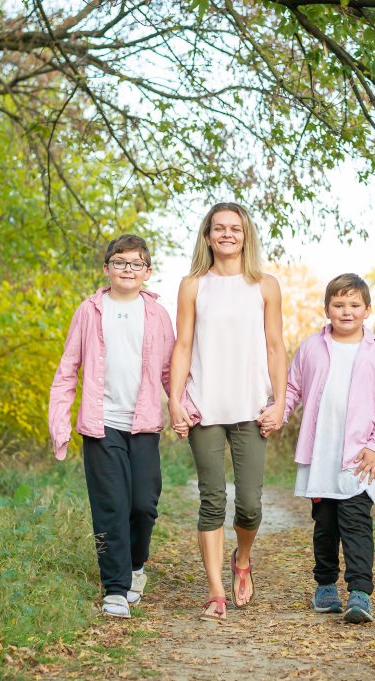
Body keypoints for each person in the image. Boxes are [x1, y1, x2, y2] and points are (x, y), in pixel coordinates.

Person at [168, 202, 287, 622]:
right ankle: (216, 592)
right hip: (205, 409)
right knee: (212, 499)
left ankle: (243, 559)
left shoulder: (266, 285)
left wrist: (280, 402)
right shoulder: (192, 285)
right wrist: (175, 399)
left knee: (251, 504)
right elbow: (182, 346)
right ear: (207, 236)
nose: (227, 234)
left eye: (235, 228)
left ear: (245, 235)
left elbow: (276, 347)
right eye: (219, 228)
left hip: (252, 409)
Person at [48, 234, 175, 619]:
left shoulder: (157, 315)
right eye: (120, 262)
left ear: (147, 272)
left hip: (144, 425)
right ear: (106, 268)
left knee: (142, 506)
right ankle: (115, 588)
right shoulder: (89, 310)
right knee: (111, 507)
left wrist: (187, 410)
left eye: (136, 263)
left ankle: (136, 566)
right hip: (101, 426)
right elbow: (67, 371)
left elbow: (171, 371)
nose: (127, 269)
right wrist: (60, 424)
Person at [278, 273, 375, 624]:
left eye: (353, 305)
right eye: (338, 304)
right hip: (321, 455)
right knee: (326, 523)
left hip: (360, 457)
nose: (346, 311)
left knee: (356, 521)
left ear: (367, 310)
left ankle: (360, 593)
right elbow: (293, 389)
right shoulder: (311, 347)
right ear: (326, 309)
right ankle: (325, 585)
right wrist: (278, 414)